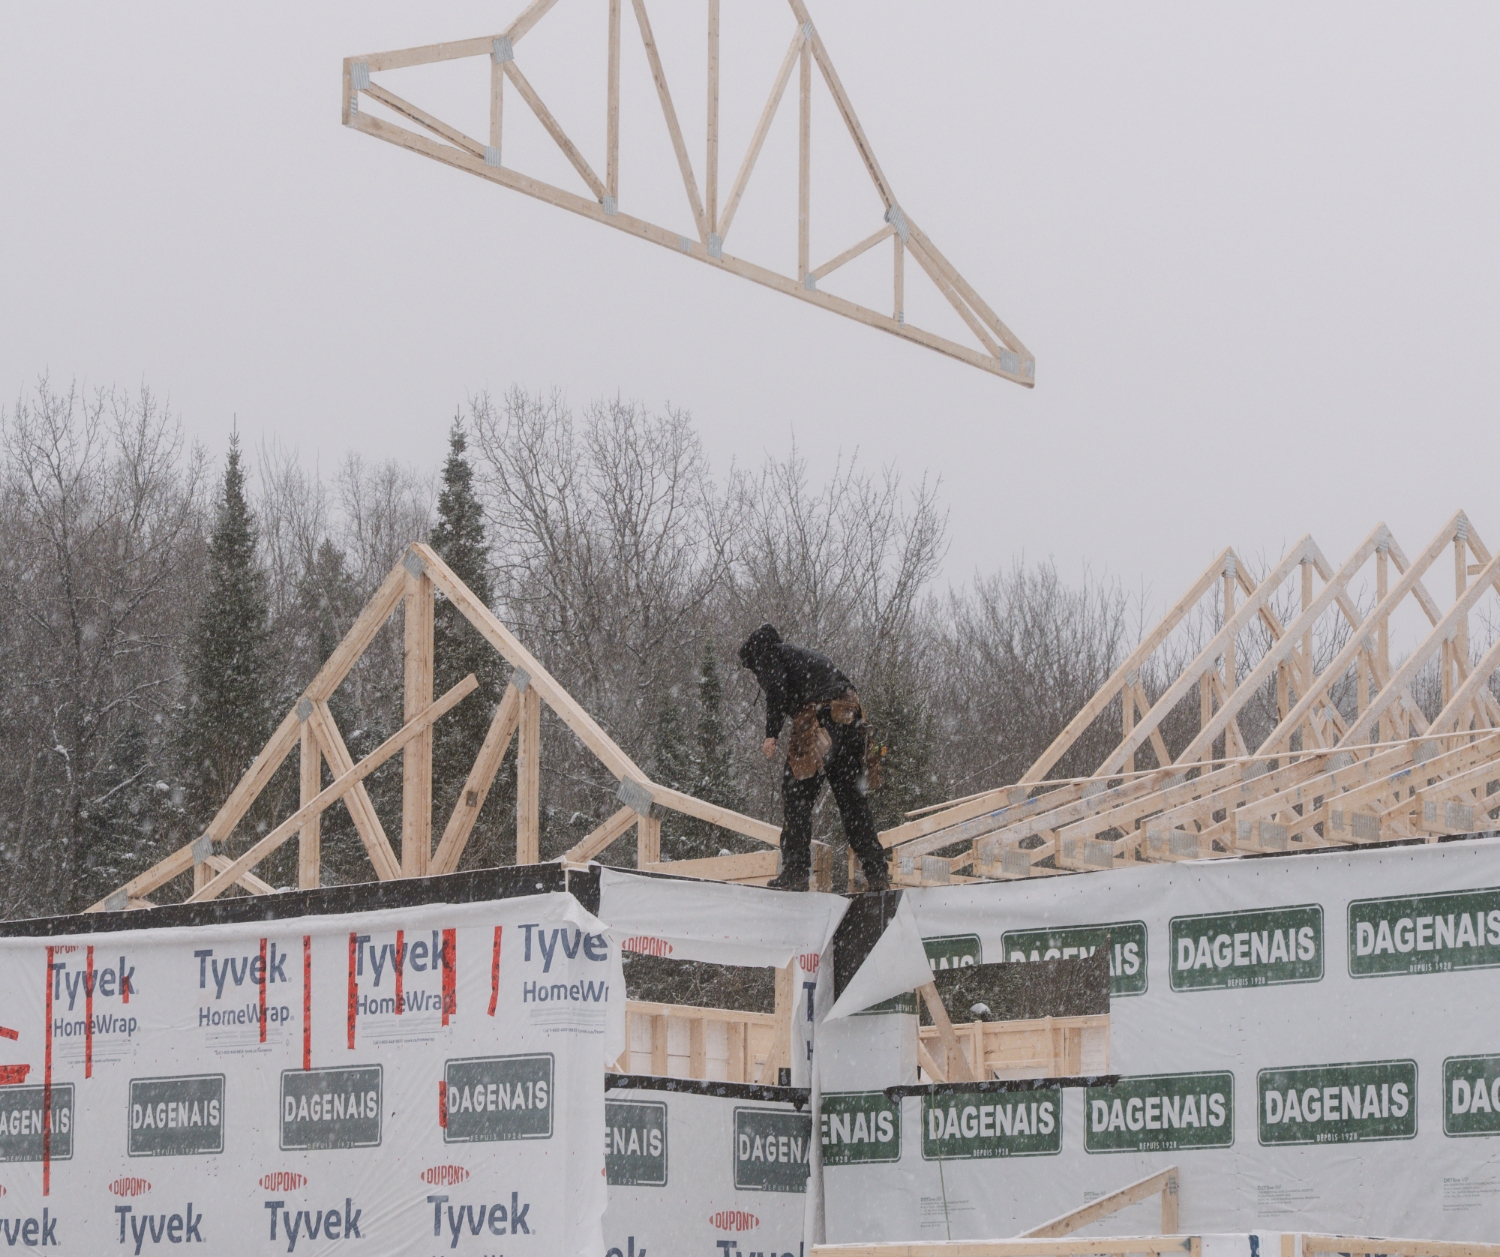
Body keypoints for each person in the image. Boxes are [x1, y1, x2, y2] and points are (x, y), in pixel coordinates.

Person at [738, 623, 890, 892]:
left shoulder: (769, 654)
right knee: (852, 803)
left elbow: (777, 690)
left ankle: (796, 871)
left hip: (820, 719)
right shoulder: (803, 657)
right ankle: (877, 873)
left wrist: (771, 734)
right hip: (852, 720)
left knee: (796, 794)